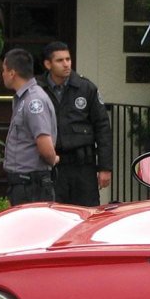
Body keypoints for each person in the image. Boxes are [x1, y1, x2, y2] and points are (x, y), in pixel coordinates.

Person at [36, 41, 113, 206]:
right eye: (60, 60)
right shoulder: (37, 90)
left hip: (83, 167)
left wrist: (105, 167)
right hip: (52, 166)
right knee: (53, 216)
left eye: (68, 59)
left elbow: (102, 127)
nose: (66, 64)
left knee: (87, 217)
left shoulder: (86, 88)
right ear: (47, 64)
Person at [0, 48, 58, 205]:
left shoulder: (34, 101)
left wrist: (52, 159)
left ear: (12, 73)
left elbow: (44, 144)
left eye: (4, 70)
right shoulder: (23, 98)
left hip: (31, 185)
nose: (2, 74)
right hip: (23, 184)